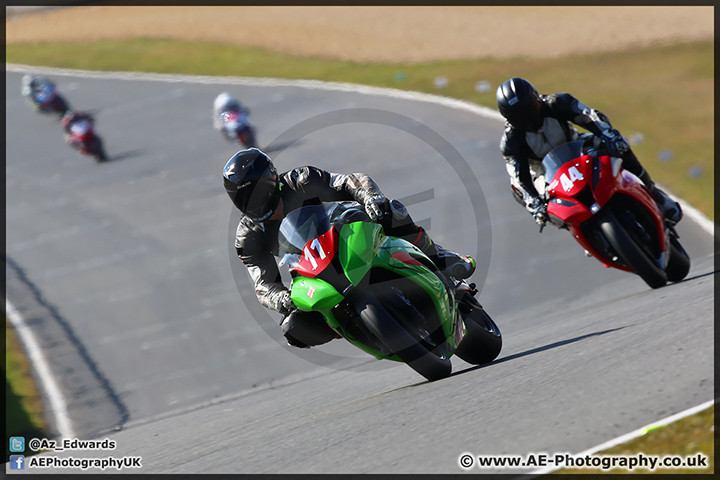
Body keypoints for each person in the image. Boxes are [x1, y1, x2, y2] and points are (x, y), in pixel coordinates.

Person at [224, 148, 476, 348]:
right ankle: (348, 326)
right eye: (242, 198)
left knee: (389, 210)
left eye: (254, 193)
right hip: (309, 268)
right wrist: (280, 298)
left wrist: (370, 197)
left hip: (343, 234)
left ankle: (438, 256)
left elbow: (348, 181)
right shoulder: (247, 236)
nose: (251, 202)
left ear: (271, 179)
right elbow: (262, 283)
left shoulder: (300, 180)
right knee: (293, 328)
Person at [495, 77, 682, 227]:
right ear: (508, 118)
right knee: (530, 198)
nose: (526, 119)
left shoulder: (557, 103)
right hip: (545, 172)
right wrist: (533, 202)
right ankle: (579, 227)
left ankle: (654, 193)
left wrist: (610, 136)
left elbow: (590, 116)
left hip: (576, 147)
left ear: (536, 99)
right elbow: (518, 177)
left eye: (528, 110)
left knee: (618, 145)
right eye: (517, 117)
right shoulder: (511, 141)